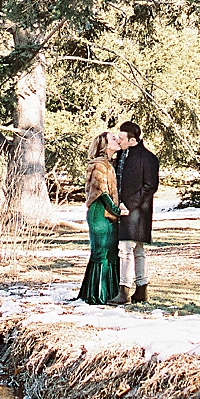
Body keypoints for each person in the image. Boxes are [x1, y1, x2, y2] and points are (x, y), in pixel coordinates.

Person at [78, 130, 129, 306]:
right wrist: (116, 210)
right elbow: (101, 193)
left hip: (110, 215)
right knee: (100, 253)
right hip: (100, 214)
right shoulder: (99, 165)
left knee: (112, 254)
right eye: (113, 139)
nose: (117, 140)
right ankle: (95, 295)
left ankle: (110, 293)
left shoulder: (112, 164)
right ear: (104, 145)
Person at [114, 120, 160, 304]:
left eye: (121, 138)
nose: (118, 140)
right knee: (136, 251)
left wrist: (129, 204)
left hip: (138, 212)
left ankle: (125, 292)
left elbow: (150, 186)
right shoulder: (123, 155)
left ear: (132, 140)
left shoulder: (148, 158)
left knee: (127, 250)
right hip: (127, 210)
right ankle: (141, 291)